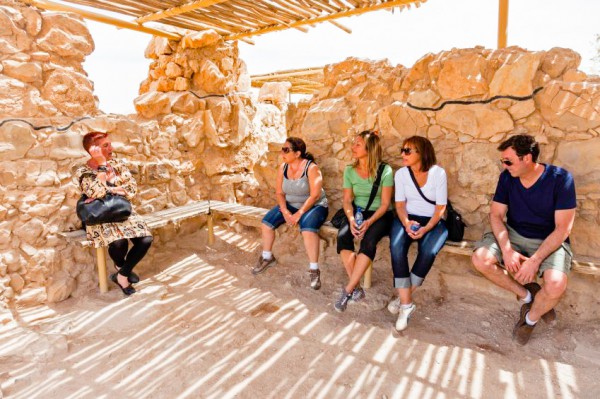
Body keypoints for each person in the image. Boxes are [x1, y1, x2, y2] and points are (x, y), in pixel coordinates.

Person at [471, 134, 576, 345]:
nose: (504, 165)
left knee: (556, 284)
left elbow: (562, 228)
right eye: (503, 161)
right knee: (480, 259)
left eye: (508, 161)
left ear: (527, 158)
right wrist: (507, 250)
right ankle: (528, 296)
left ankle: (529, 319)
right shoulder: (507, 177)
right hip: (514, 233)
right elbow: (496, 215)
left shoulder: (561, 179)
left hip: (549, 239)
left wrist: (535, 261)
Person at [75, 132, 153, 296]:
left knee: (146, 239)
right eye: (105, 146)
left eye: (110, 144)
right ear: (93, 150)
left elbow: (131, 190)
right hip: (100, 215)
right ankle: (123, 275)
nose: (111, 148)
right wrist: (102, 164)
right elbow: (96, 192)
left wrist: (108, 189)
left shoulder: (117, 165)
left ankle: (121, 273)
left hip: (121, 211)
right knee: (119, 243)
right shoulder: (83, 170)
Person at [388, 136, 448, 331]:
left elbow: (440, 208)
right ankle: (406, 306)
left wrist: (426, 228)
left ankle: (403, 296)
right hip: (408, 218)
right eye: (402, 150)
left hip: (433, 220)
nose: (402, 154)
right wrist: (406, 223)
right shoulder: (401, 174)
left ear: (422, 153)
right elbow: (399, 204)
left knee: (429, 251)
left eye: (408, 151)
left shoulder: (438, 174)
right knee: (396, 247)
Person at [253, 137, 328, 290]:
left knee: (307, 229)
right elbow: (279, 193)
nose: (282, 153)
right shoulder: (283, 168)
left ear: (298, 153)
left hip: (314, 205)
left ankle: (314, 269)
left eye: (286, 150)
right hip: (291, 205)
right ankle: (267, 257)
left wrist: (299, 214)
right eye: (282, 149)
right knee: (266, 223)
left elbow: (314, 195)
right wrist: (285, 211)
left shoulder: (311, 168)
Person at [334, 130, 394, 312]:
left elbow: (385, 204)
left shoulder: (386, 171)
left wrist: (369, 222)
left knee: (369, 240)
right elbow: (346, 200)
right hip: (357, 211)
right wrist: (351, 219)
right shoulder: (350, 171)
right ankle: (357, 288)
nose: (353, 147)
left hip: (380, 214)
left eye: (358, 144)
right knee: (343, 236)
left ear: (370, 148)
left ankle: (348, 289)